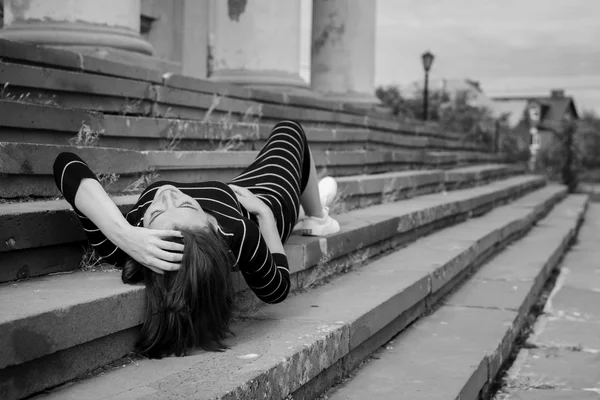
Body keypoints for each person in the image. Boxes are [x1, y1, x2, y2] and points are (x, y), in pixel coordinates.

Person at [53, 120, 340, 359]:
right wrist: (264, 214)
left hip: (238, 188)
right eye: (188, 206)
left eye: (155, 214)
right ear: (212, 228)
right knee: (291, 130)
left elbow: (66, 164)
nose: (167, 195)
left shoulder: (129, 243)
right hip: (267, 198)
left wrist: (123, 233)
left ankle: (313, 203)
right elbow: (277, 288)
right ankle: (317, 217)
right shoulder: (239, 234)